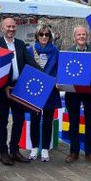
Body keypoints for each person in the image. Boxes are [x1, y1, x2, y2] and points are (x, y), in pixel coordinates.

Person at [0, 17, 39, 166]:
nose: (11, 29)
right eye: (8, 27)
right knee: (3, 120)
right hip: (2, 89)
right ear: (2, 28)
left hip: (19, 87)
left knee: (19, 120)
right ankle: (3, 152)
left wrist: (45, 76)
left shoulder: (20, 44)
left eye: (13, 27)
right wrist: (4, 85)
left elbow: (30, 62)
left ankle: (14, 150)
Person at [64, 25, 91, 166]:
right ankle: (74, 152)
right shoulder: (68, 51)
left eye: (84, 35)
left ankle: (90, 153)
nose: (81, 37)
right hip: (72, 91)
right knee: (73, 122)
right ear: (74, 37)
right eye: (79, 35)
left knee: (90, 122)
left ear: (87, 36)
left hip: (89, 91)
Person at [28, 24, 61, 162]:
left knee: (48, 120)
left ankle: (46, 149)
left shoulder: (55, 51)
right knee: (34, 119)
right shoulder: (30, 50)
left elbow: (60, 69)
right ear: (37, 36)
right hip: (35, 89)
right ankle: (35, 147)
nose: (44, 37)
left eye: (47, 34)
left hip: (51, 89)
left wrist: (58, 81)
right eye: (41, 34)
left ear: (50, 36)